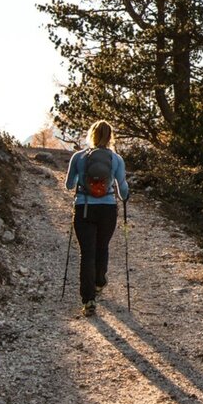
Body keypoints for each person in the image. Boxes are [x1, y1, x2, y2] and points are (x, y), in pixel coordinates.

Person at [65, 120, 129, 316]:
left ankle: (88, 300)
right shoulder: (116, 159)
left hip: (84, 208)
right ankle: (99, 281)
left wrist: (82, 180)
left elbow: (69, 185)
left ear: (91, 134)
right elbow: (123, 188)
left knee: (87, 253)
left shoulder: (78, 157)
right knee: (102, 247)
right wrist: (124, 197)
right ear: (111, 137)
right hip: (107, 209)